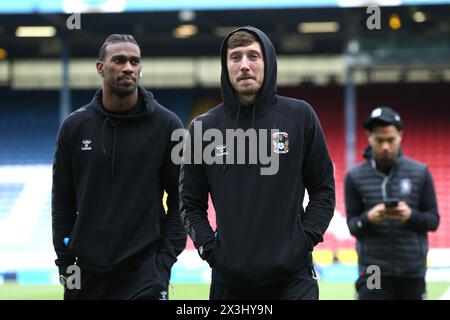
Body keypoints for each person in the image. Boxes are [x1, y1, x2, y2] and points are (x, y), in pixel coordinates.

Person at [179, 26, 335, 300]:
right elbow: (189, 203)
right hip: (231, 281)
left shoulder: (299, 116)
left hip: (292, 278)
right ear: (225, 66)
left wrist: (304, 240)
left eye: (254, 56)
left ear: (268, 63)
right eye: (235, 57)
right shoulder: (203, 128)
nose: (244, 66)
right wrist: (210, 250)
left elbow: (323, 189)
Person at [52, 34, 186, 300]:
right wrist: (66, 263)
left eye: (135, 61)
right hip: (86, 273)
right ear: (100, 67)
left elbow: (183, 198)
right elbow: (62, 201)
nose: (128, 67)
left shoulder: (167, 126)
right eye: (119, 60)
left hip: (144, 272)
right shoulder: (74, 127)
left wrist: (164, 260)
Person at [345, 106, 440, 300]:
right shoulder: (354, 176)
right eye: (380, 140)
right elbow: (353, 226)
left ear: (401, 136)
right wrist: (369, 218)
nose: (386, 146)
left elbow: (433, 220)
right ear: (369, 136)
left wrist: (410, 216)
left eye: (391, 140)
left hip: (411, 270)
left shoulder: (420, 172)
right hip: (373, 269)